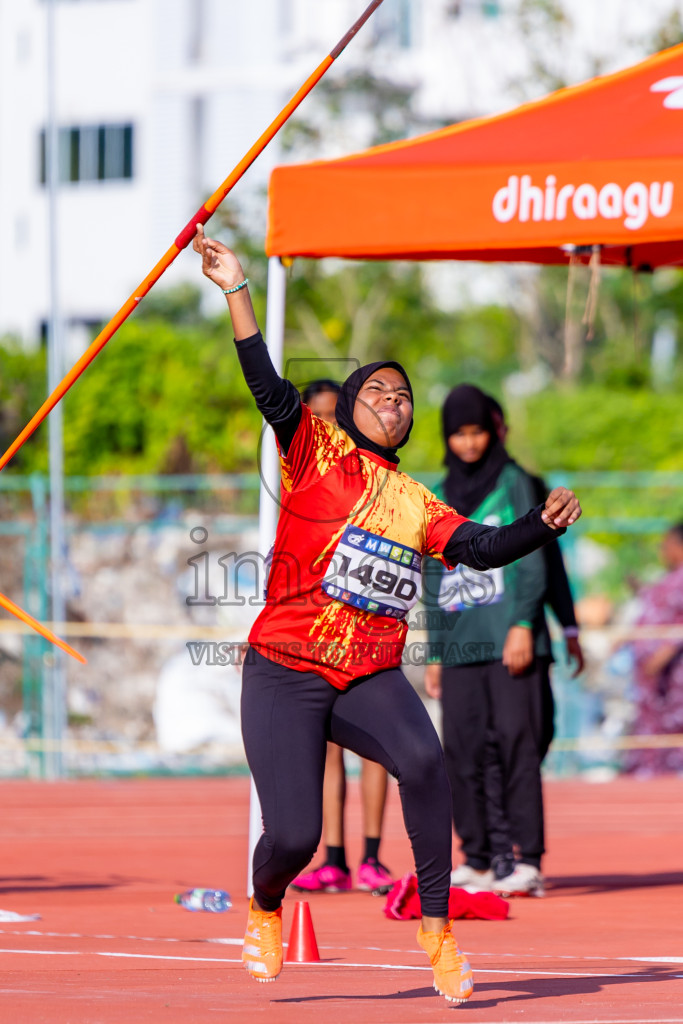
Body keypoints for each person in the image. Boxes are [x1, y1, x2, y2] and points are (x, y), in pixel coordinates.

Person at [193, 226, 581, 1003]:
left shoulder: (417, 501)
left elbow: (479, 547)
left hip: (367, 673)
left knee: (426, 761)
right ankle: (265, 903)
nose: (394, 404)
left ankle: (436, 930)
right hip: (285, 671)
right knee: (296, 837)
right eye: (378, 391)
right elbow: (269, 386)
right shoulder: (314, 450)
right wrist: (237, 288)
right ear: (351, 400)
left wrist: (539, 524)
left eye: (404, 398)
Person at [423, 385, 555, 897]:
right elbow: (434, 578)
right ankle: (477, 859)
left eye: (477, 431)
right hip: (459, 647)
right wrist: (435, 652)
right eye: (458, 434)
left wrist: (524, 623)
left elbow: (533, 554)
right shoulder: (436, 495)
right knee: (460, 749)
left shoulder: (514, 481)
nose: (469, 443)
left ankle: (525, 858)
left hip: (507, 642)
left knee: (518, 746)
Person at [293, 380, 393, 895]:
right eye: (319, 417)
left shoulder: (373, 471)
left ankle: (373, 856)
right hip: (316, 628)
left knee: (374, 744)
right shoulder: (303, 475)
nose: (328, 425)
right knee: (326, 749)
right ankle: (333, 857)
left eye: (336, 415)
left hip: (367, 623)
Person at [625, 523, 683, 775]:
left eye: (666, 544)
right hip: (653, 682)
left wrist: (663, 653)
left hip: (673, 677)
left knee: (673, 734)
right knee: (653, 733)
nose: (662, 550)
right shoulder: (670, 577)